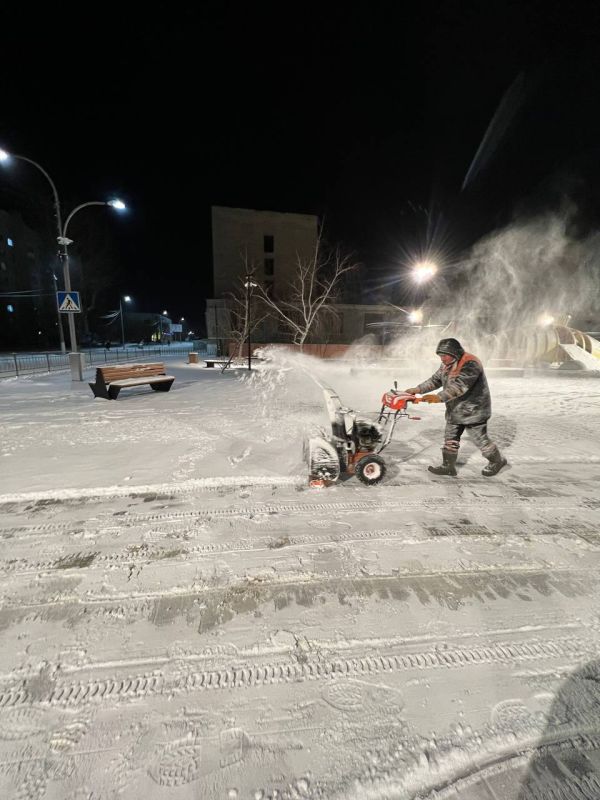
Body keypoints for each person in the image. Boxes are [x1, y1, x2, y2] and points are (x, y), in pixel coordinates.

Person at [404, 337, 507, 477]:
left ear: (454, 353)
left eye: (444, 355)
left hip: (474, 410)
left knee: (479, 439)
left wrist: (439, 397)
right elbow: (435, 380)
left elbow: (460, 386)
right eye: (440, 356)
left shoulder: (470, 363)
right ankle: (448, 466)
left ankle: (497, 461)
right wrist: (417, 389)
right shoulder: (447, 364)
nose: (442, 358)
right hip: (455, 409)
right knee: (450, 438)